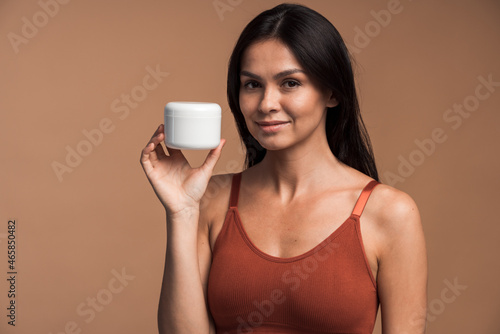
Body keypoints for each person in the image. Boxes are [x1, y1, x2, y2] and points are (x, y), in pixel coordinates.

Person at [140, 3, 427, 334]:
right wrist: (181, 212)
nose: (266, 104)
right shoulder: (210, 199)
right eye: (252, 84)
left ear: (332, 91)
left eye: (290, 83)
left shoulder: (391, 213)